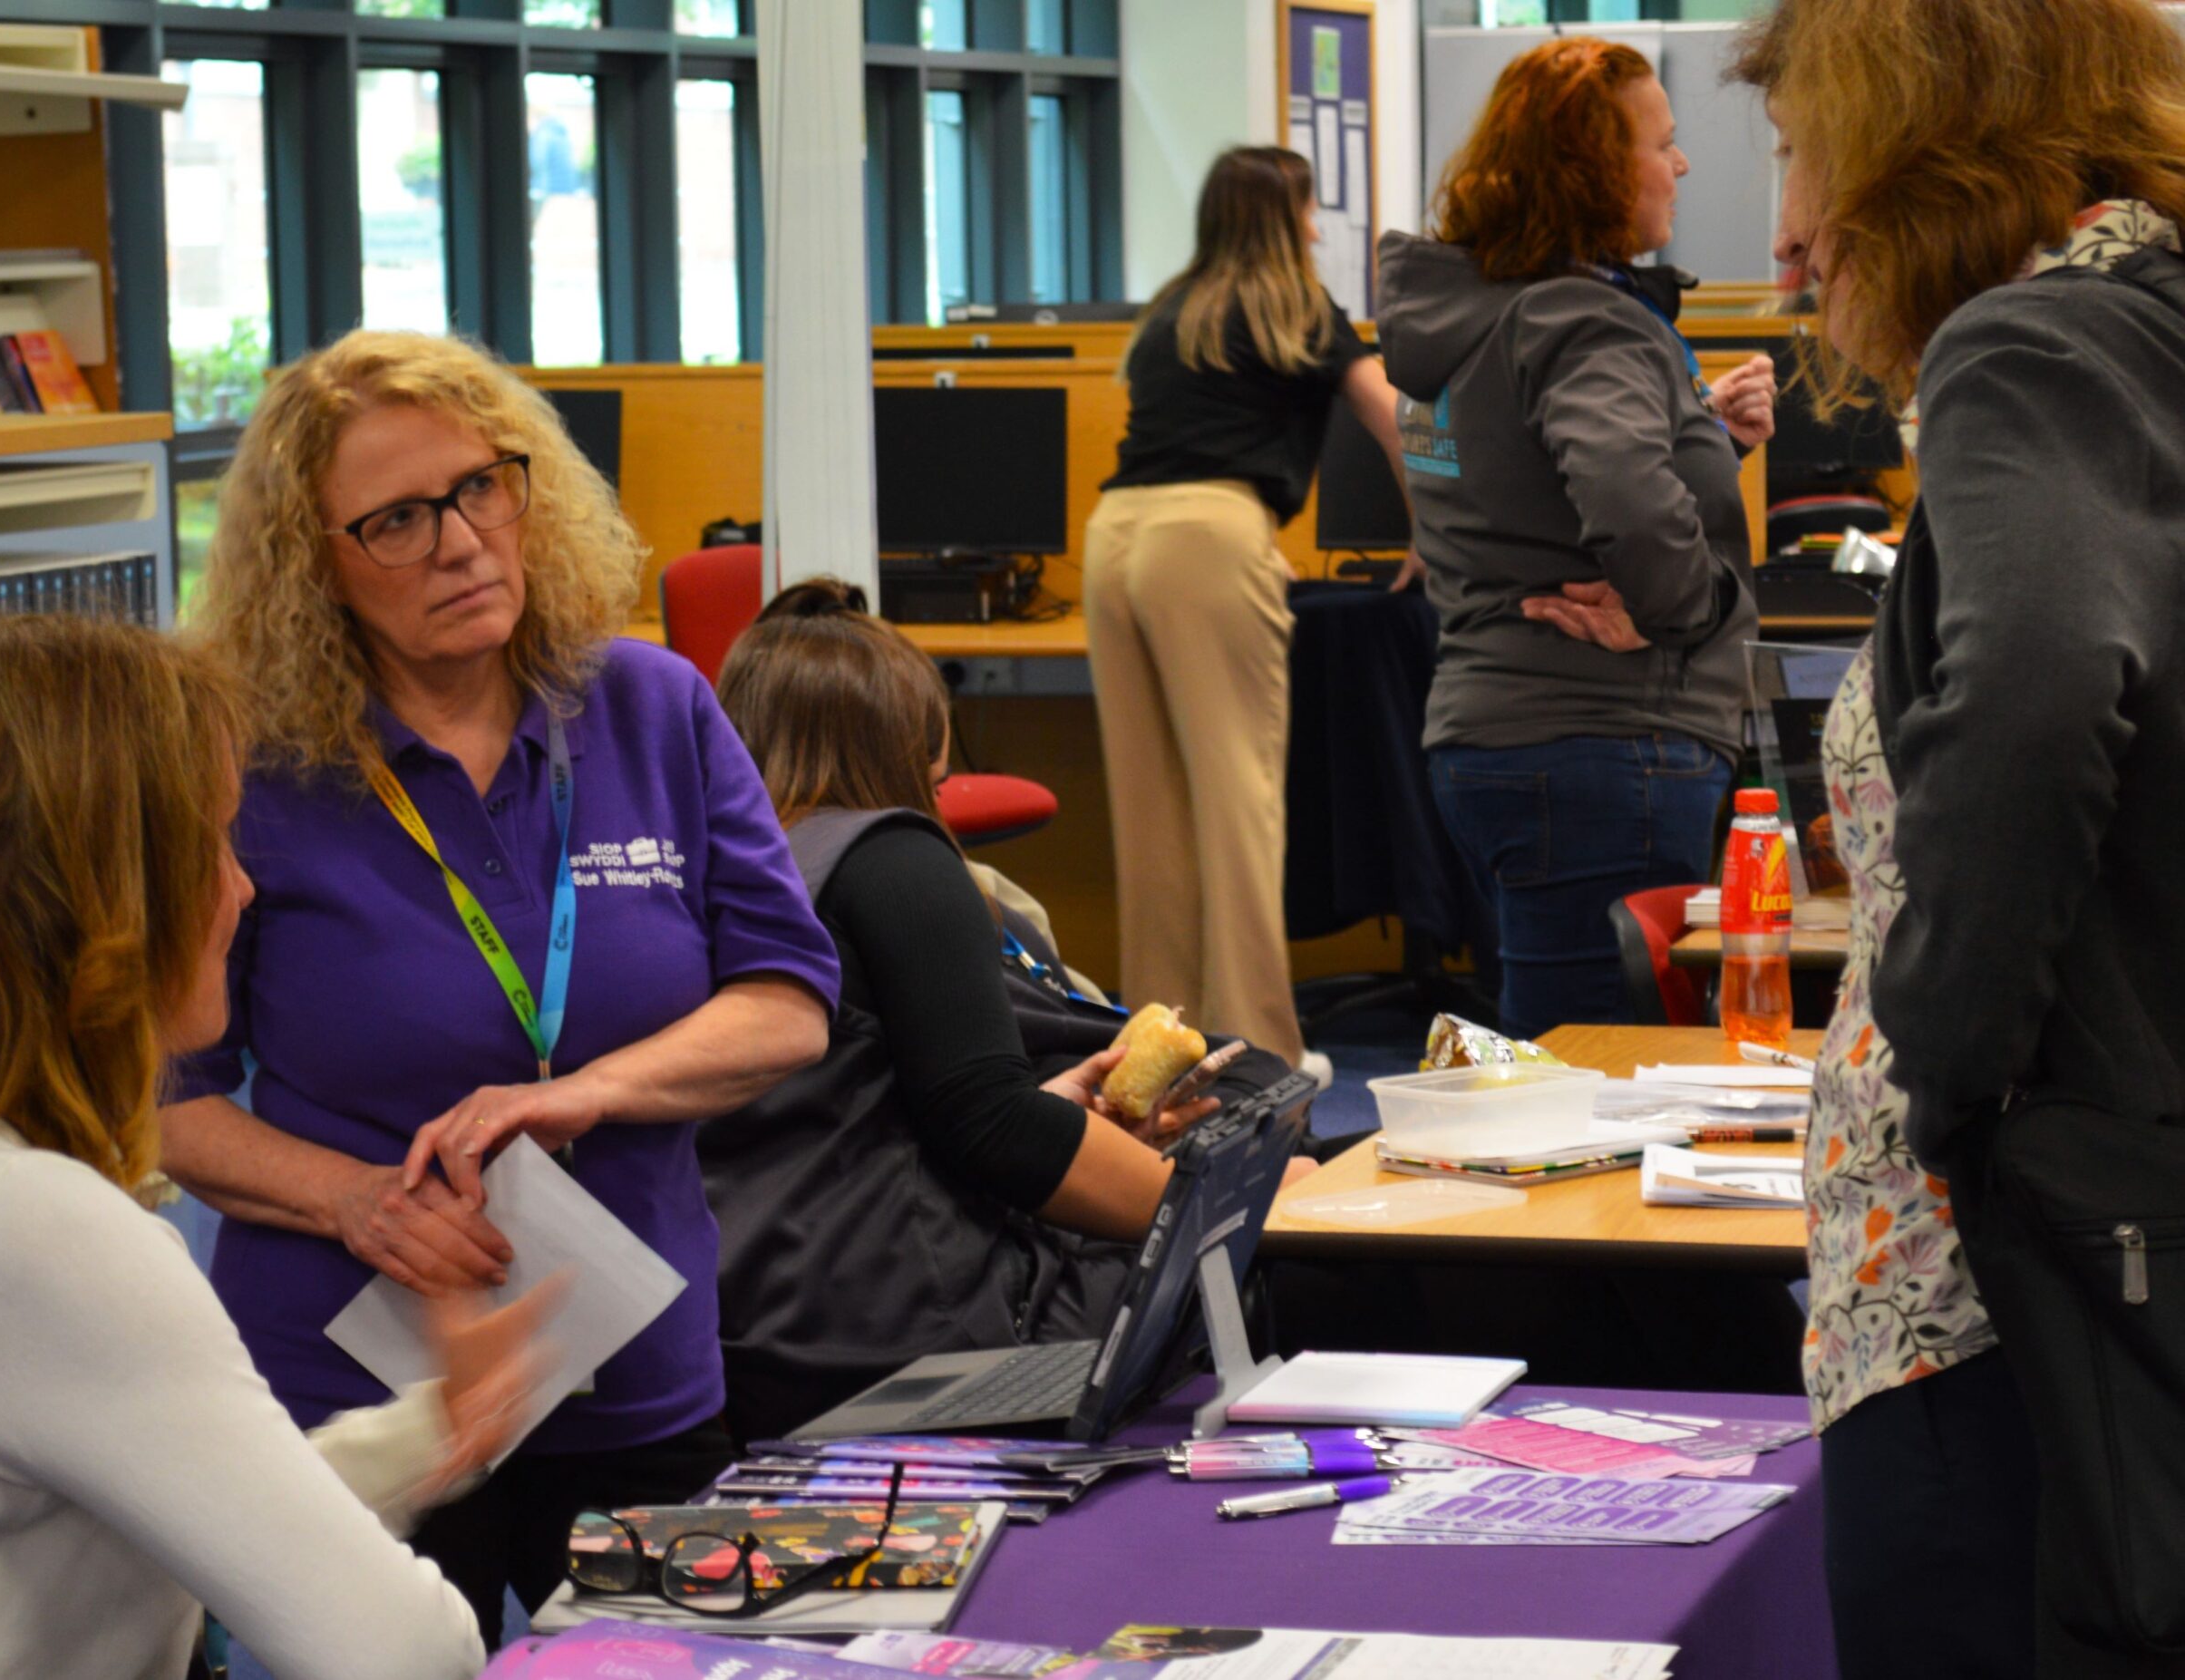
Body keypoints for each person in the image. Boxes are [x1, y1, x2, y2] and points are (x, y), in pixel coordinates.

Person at [160, 329, 841, 1646]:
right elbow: (159, 1102)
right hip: (358, 1383)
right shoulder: (250, 764)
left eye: (484, 486)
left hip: (634, 1361)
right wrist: (357, 1202)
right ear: (316, 567)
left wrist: (589, 1089)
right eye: (398, 521)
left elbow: (788, 996)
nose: (465, 541)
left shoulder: (650, 705)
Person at [1737, 2, 2185, 1674]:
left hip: (1988, 1280)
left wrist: (1948, 1064)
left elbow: (2043, 687)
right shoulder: (2157, 333)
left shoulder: (2035, 344)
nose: (1784, 231)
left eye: (1802, 152)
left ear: (1921, 136)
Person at [0, 615, 567, 1680]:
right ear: (103, 893)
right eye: (216, 841)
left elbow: (130, 1517)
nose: (241, 888)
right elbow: (399, 1649)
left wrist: (429, 1435)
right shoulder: (22, 1224)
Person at [702, 582, 1296, 1442]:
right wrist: (1245, 1207)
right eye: (932, 782)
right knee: (1294, 1268)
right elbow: (995, 1131)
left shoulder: (716, 878)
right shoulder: (891, 855)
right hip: (932, 1352)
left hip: (761, 1342)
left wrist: (1059, 1114)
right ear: (896, 755)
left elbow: (852, 1129)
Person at [1373, 37, 1776, 1041]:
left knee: (1562, 1057)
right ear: (1594, 169)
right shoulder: (1583, 320)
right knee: (1603, 1081)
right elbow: (1626, 502)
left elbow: (1521, 485)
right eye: (1663, 144)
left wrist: (1702, 432)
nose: (1679, 166)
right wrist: (1690, 613)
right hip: (1606, 741)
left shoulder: (1478, 316)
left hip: (1502, 735)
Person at [1087, 144, 1407, 1070]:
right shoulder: (1294, 305)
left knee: (1151, 811)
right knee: (1238, 803)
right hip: (1208, 534)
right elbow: (1391, 416)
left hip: (1113, 536)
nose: (1316, 228)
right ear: (1282, 216)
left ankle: (1159, 1045)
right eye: (1308, 210)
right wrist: (1437, 530)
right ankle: (1260, 1045)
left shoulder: (1168, 312)